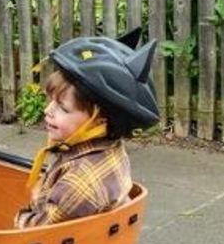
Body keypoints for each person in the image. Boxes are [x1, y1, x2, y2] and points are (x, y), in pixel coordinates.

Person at [15, 31, 159, 228]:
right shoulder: (110, 150)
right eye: (51, 102)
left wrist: (20, 214)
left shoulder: (77, 185)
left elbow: (31, 235)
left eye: (63, 108)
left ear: (98, 121)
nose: (47, 110)